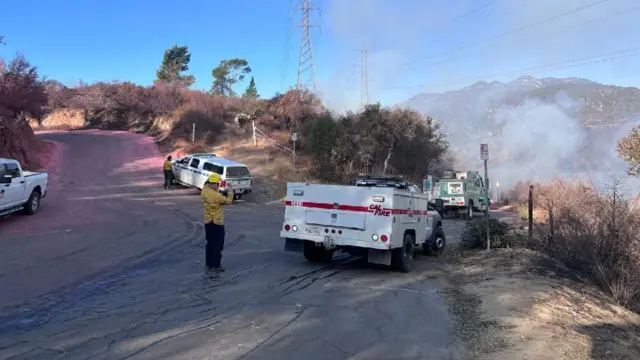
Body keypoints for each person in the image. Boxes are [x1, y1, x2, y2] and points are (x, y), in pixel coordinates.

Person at [201, 173, 234, 272]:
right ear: (213, 184)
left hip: (208, 221)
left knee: (209, 243)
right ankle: (216, 265)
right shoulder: (216, 195)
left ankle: (209, 263)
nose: (218, 186)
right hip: (217, 222)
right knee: (218, 244)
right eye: (217, 184)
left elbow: (206, 184)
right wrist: (230, 190)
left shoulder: (204, 191)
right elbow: (228, 201)